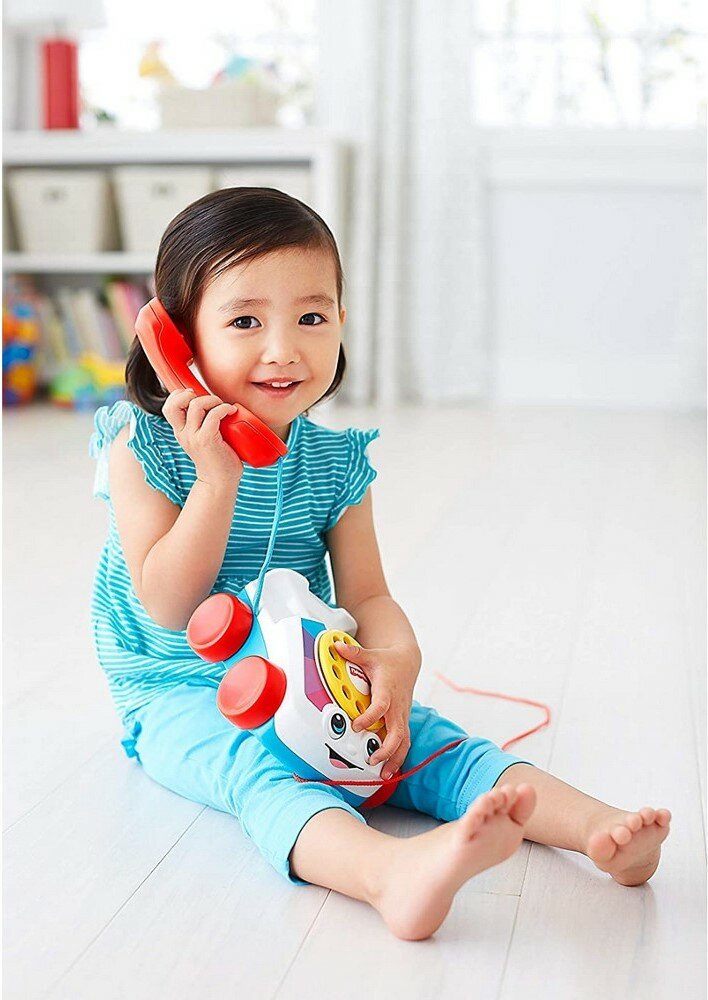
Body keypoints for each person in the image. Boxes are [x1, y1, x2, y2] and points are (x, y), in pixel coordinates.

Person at [89, 187, 671, 941]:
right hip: (178, 689)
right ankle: (387, 873)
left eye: (312, 317)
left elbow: (368, 595)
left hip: (307, 667)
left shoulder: (334, 463)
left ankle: (597, 828)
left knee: (428, 741)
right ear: (177, 341)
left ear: (341, 320)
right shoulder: (141, 447)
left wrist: (398, 658)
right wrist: (217, 481)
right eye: (245, 321)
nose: (283, 348)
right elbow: (168, 604)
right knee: (256, 772)